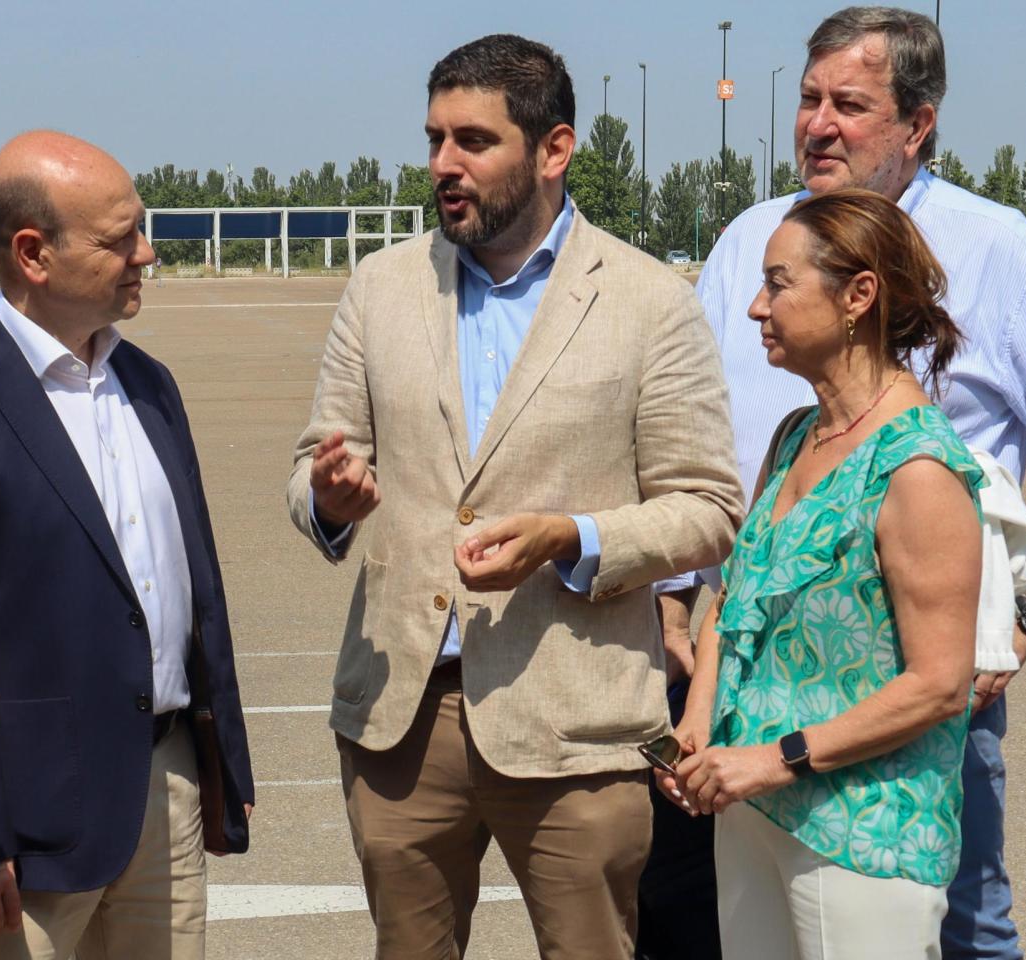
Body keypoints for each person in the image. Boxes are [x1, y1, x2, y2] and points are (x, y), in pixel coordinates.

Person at [652, 8, 1026, 958]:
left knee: (965, 925)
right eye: (808, 99)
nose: (818, 124)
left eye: (849, 104)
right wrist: (678, 609)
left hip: (900, 696)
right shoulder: (754, 238)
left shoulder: (997, 250)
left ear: (917, 124)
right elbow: (690, 431)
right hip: (742, 689)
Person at [286, 34, 745, 960]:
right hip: (404, 719)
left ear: (553, 148)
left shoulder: (650, 301)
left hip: (576, 723)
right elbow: (313, 467)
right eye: (434, 139)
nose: (443, 164)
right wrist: (330, 497)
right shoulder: (380, 288)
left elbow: (707, 506)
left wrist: (572, 537)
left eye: (473, 140)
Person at [0, 130, 255, 960]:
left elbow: (197, 592)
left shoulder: (149, 384)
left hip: (165, 792)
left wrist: (223, 765)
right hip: (27, 826)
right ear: (33, 254)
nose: (146, 254)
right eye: (120, 239)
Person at [660, 188, 981, 958]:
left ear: (857, 296)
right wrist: (700, 715)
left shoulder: (917, 470)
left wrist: (779, 759)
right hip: (751, 807)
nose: (755, 307)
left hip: (861, 834)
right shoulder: (796, 435)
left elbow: (940, 683)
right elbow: (737, 593)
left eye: (778, 284)